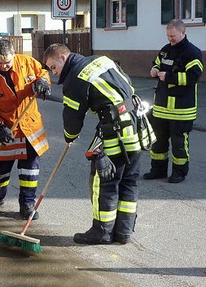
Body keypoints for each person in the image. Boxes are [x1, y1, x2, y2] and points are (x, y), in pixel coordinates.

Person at [44, 43, 147, 245]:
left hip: (113, 132)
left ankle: (102, 231)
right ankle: (123, 231)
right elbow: (127, 84)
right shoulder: (101, 59)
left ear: (63, 58)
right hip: (135, 125)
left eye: (53, 67)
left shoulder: (75, 79)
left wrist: (70, 136)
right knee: (129, 180)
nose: (53, 73)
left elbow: (73, 119)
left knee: (104, 181)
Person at [0, 39, 52, 220]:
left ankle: (27, 204)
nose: (4, 66)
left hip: (29, 128)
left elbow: (43, 73)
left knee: (29, 170)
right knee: (0, 169)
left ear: (14, 55)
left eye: (7, 62)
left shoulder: (27, 63)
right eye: (0, 63)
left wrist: (43, 83)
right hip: (6, 129)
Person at [143, 19, 203, 183]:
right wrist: (154, 69)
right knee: (158, 142)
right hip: (161, 108)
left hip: (181, 110)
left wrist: (168, 77)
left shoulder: (193, 52)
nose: (170, 39)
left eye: (173, 36)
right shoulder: (165, 50)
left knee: (179, 144)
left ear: (183, 32)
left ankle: (179, 173)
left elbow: (193, 77)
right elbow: (156, 63)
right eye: (168, 36)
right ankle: (158, 170)